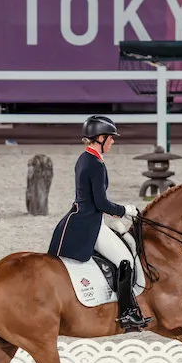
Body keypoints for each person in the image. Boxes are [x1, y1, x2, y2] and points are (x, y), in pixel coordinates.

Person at [48, 115, 153, 332]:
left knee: (126, 246)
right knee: (125, 259)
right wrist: (125, 210)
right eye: (111, 138)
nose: (113, 142)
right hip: (89, 224)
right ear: (101, 138)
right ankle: (128, 314)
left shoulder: (86, 158)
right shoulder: (94, 163)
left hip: (86, 217)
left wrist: (112, 216)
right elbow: (101, 202)